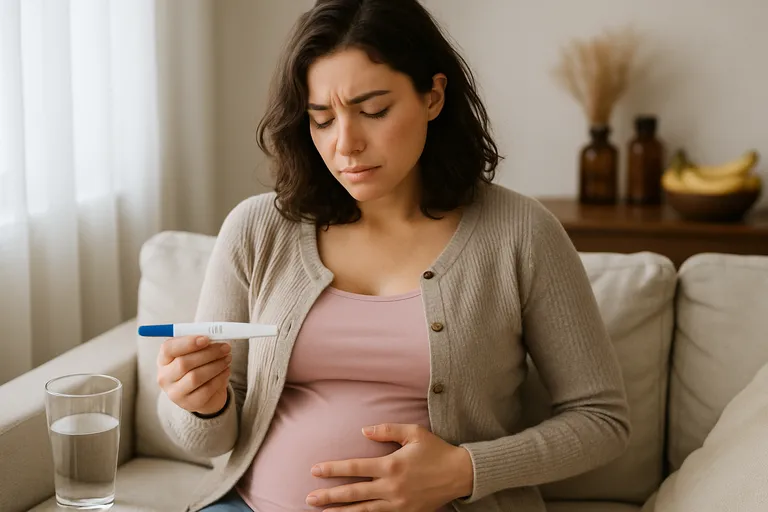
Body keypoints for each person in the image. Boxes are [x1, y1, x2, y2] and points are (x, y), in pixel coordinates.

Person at [155, 0, 631, 511]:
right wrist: (200, 405)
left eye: (374, 111)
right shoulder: (257, 229)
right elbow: (207, 440)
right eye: (321, 120)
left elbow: (602, 421)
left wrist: (463, 471)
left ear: (433, 95)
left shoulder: (521, 234)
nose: (346, 144)